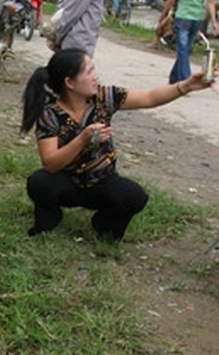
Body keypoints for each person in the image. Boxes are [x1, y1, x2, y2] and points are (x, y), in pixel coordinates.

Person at [20, 48, 212, 241]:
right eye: (89, 72)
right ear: (69, 82)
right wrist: (82, 139)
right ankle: (48, 222)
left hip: (100, 181)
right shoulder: (50, 114)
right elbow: (50, 163)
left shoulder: (104, 97)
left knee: (134, 196)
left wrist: (186, 86)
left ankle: (104, 228)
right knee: (39, 182)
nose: (96, 77)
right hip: (65, 182)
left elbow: (149, 98)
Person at [157, 0, 218, 81]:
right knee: (184, 50)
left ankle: (186, 80)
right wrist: (214, 22)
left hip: (182, 18)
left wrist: (162, 15)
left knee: (182, 50)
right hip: (197, 19)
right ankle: (174, 79)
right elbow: (210, 1)